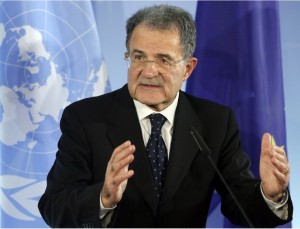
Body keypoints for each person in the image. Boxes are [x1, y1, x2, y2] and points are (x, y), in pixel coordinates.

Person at [38, 4, 293, 228]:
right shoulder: (85, 118)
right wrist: (103, 197)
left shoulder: (215, 122)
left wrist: (270, 194)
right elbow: (53, 206)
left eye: (163, 60)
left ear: (188, 68)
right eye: (139, 57)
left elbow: (240, 205)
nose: (148, 72)